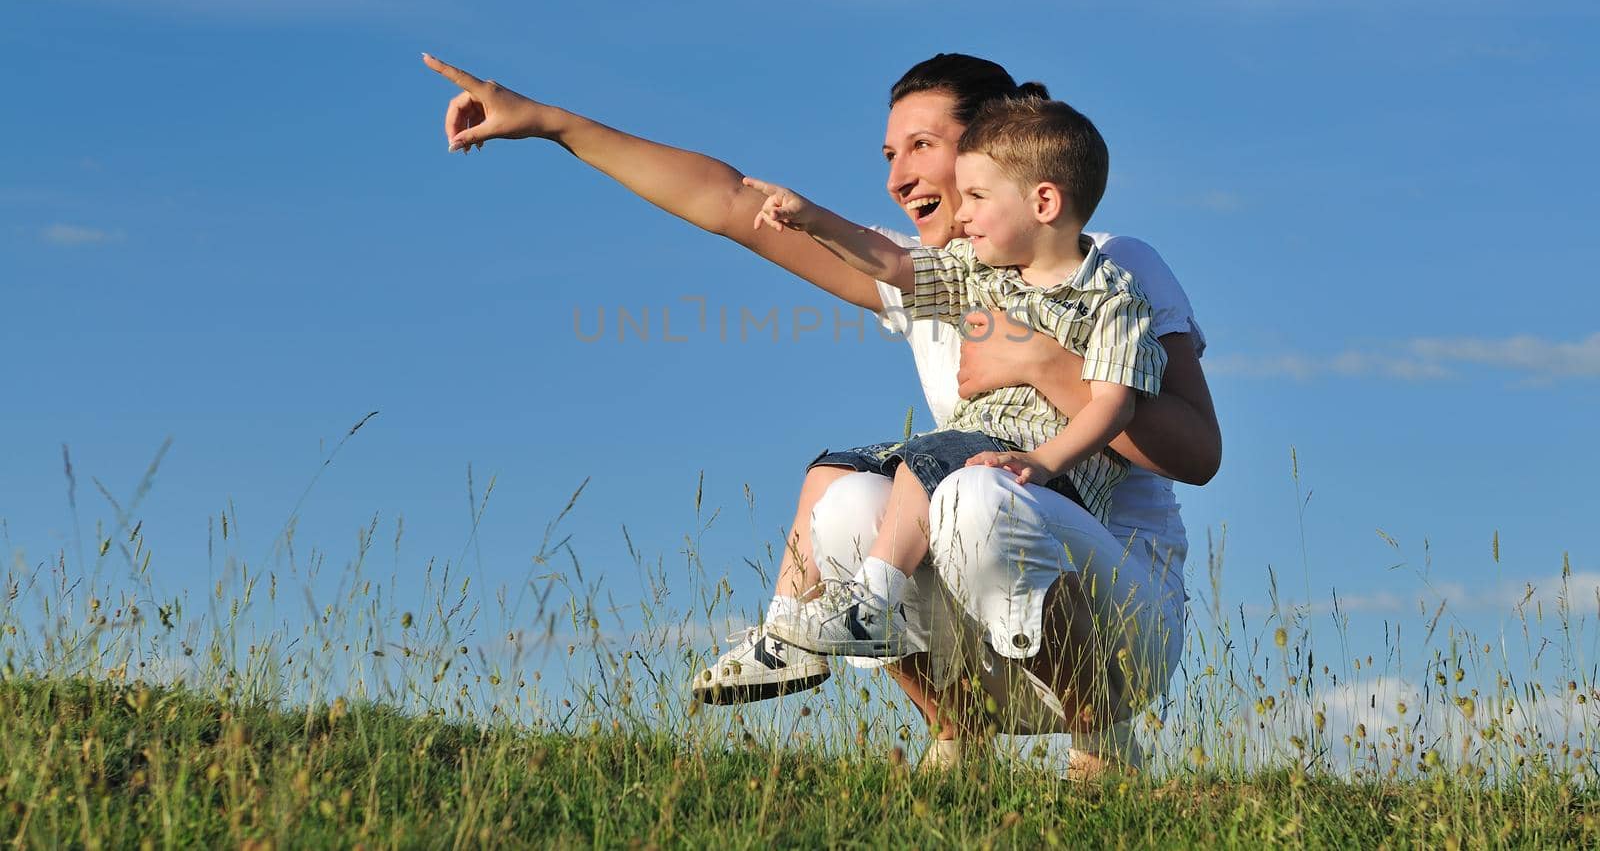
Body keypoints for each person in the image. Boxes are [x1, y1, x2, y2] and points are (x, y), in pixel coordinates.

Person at [422, 51, 1220, 774]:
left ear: (999, 151)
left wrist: (1044, 364)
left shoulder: (1112, 266)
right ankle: (961, 737)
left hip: (1120, 618)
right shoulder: (938, 279)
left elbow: (1198, 452)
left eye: (921, 147)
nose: (897, 178)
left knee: (976, 496)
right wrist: (552, 123)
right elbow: (730, 202)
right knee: (849, 503)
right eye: (888, 155)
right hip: (989, 606)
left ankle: (1102, 745)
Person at [742, 95, 1166, 661]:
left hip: (1052, 481)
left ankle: (873, 604)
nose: (960, 215)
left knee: (929, 459)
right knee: (845, 470)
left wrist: (1042, 462)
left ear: (1043, 202)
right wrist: (812, 219)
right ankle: (786, 635)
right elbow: (891, 262)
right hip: (971, 451)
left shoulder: (1116, 298)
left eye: (977, 198)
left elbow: (1114, 407)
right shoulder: (978, 273)